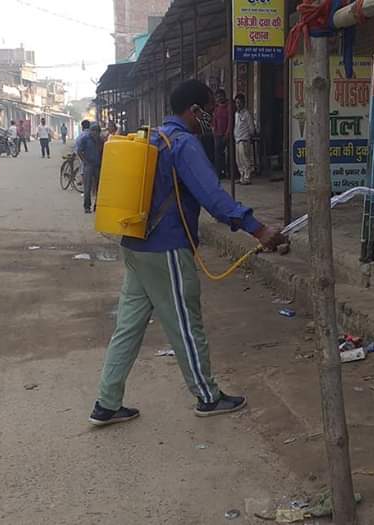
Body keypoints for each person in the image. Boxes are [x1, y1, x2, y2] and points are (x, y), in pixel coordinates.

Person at [89, 79, 287, 427]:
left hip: (135, 244)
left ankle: (107, 402)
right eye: (209, 109)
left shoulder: (149, 138)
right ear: (194, 110)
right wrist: (259, 230)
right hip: (166, 249)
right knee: (185, 324)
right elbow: (214, 198)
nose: (212, 115)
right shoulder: (183, 144)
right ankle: (208, 397)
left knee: (128, 327)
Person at [75, 120, 101, 213]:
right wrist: (84, 161)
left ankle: (97, 205)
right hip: (88, 166)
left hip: (97, 165)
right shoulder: (85, 138)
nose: (96, 134)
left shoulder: (100, 140)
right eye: (94, 131)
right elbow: (79, 151)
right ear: (91, 131)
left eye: (97, 132)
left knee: (98, 187)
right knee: (88, 187)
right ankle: (87, 206)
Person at [233, 94, 258, 185]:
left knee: (245, 159)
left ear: (243, 103)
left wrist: (249, 136)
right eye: (236, 103)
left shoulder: (247, 114)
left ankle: (247, 177)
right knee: (238, 160)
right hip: (237, 139)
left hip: (244, 139)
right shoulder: (236, 114)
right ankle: (242, 177)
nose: (238, 105)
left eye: (239, 102)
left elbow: (251, 128)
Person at [212, 89, 231, 179]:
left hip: (227, 134)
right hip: (218, 135)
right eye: (217, 96)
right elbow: (214, 121)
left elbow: (230, 121)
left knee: (230, 154)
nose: (219, 98)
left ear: (224, 96)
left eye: (221, 96)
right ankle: (219, 173)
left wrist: (227, 133)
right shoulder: (216, 108)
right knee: (218, 155)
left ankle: (231, 173)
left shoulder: (229, 107)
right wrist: (214, 131)